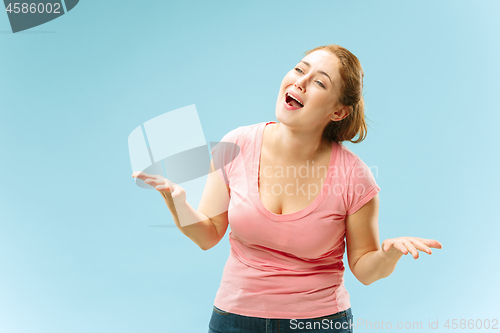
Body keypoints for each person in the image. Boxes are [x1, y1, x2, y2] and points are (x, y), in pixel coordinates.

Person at [132, 44, 442, 333]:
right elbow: (209, 234)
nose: (301, 82)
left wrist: (388, 254)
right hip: (234, 318)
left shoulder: (355, 177)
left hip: (319, 322)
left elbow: (364, 269)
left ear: (338, 112)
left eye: (319, 82)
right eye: (299, 69)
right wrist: (178, 203)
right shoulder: (237, 144)